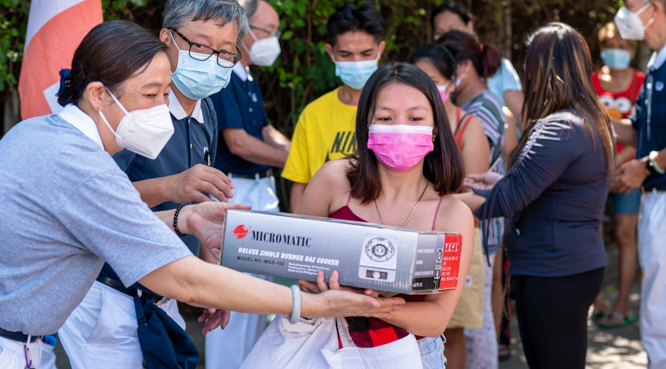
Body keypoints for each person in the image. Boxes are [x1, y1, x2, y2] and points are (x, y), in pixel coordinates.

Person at [0, 21, 404, 369]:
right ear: (99, 95)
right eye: (151, 94)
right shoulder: (80, 166)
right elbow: (183, 280)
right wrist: (310, 305)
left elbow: (102, 226)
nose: (163, 109)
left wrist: (185, 218)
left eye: (165, 94)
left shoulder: (38, 134)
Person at [58, 0, 243, 367]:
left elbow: (203, 206)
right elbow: (88, 200)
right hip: (109, 292)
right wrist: (170, 186)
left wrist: (214, 285)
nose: (212, 60)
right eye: (200, 46)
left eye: (225, 52)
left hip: (164, 292)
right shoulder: (134, 110)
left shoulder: (207, 109)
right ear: (166, 37)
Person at [297, 62, 474, 368]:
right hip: (324, 346)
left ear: (435, 128)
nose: (400, 127)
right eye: (385, 117)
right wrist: (313, 286)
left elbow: (437, 318)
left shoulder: (453, 215)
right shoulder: (333, 180)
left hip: (413, 355)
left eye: (415, 117)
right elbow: (297, 259)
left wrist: (369, 306)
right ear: (366, 124)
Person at [461, 23, 614, 369]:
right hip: (568, 266)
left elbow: (503, 201)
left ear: (539, 69)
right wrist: (502, 179)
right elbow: (547, 185)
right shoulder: (587, 120)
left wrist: (430, 201)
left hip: (554, 272)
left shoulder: (559, 128)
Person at [206, 0, 291, 368]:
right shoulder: (223, 76)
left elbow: (265, 130)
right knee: (233, 294)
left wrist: (299, 153)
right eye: (267, 30)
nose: (272, 38)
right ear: (242, 30)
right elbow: (238, 141)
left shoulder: (247, 75)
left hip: (260, 190)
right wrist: (296, 162)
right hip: (234, 189)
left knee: (261, 292)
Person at [412, 44, 489, 369]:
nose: (427, 88)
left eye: (433, 79)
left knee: (449, 329)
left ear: (452, 81)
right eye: (419, 79)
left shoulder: (468, 126)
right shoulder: (401, 128)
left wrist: (422, 205)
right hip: (405, 234)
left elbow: (478, 195)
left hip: (451, 239)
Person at [437, 30, 505, 369]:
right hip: (470, 222)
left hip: (479, 225)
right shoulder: (469, 105)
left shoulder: (481, 110)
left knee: (475, 321)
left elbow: (470, 180)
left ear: (461, 68)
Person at [609, 0, 666, 368]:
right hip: (654, 202)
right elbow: (639, 129)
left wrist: (645, 167)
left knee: (659, 313)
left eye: (628, 5)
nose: (623, 15)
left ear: (655, 8)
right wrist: (597, 121)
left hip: (661, 195)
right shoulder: (656, 62)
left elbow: (649, 151)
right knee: (655, 309)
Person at [283, 1, 386, 212]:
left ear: (380, 50)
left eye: (366, 54)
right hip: (324, 232)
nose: (356, 62)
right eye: (346, 55)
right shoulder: (313, 114)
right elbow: (300, 184)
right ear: (330, 52)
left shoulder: (396, 111)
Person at [589, 21, 645, 329]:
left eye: (623, 46)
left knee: (625, 235)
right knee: (591, 233)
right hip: (594, 170)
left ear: (633, 50)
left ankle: (622, 302)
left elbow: (643, 133)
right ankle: (596, 299)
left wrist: (619, 162)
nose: (617, 51)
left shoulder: (642, 81)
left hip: (630, 170)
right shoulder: (592, 81)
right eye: (611, 45)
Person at [431, 1, 524, 121]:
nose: (446, 36)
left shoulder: (499, 67)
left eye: (452, 29)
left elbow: (521, 117)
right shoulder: (439, 71)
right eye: (439, 33)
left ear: (469, 27)